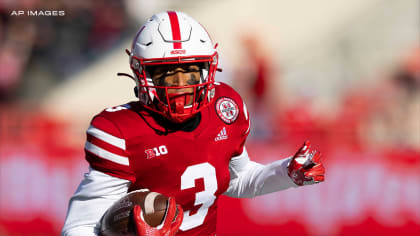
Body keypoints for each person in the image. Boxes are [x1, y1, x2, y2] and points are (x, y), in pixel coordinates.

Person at [61, 11, 325, 236]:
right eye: (166, 73)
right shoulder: (120, 130)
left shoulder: (225, 108)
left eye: (189, 72)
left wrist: (286, 173)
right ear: (142, 74)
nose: (180, 85)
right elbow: (79, 226)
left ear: (208, 70)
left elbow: (239, 179)